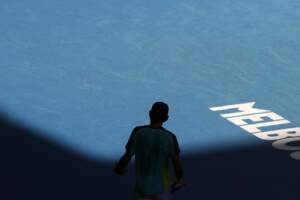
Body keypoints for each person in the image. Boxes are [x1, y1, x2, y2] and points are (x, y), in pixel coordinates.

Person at [114, 102, 185, 200]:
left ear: (150, 113)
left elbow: (127, 157)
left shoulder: (137, 132)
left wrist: (119, 168)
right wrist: (179, 179)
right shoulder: (170, 137)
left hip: (141, 189)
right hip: (162, 189)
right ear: (166, 118)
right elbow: (176, 164)